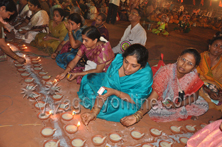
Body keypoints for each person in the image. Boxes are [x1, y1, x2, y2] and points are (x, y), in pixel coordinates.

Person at [121, 49, 209, 126]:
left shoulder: (193, 75)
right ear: (178, 58)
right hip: (162, 101)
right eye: (183, 59)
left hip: (179, 101)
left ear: (194, 67)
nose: (184, 65)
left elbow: (194, 96)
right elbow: (153, 98)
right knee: (154, 110)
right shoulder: (166, 71)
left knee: (204, 105)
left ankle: (180, 111)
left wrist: (177, 104)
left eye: (189, 63)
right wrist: (138, 115)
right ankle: (182, 113)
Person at [79, 44, 153, 124]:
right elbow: (103, 88)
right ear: (123, 58)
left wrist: (115, 92)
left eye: (134, 66)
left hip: (128, 99)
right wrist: (94, 112)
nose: (127, 68)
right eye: (126, 62)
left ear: (141, 67)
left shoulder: (145, 76)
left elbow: (136, 99)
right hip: (110, 90)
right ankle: (98, 106)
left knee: (125, 110)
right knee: (88, 79)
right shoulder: (117, 61)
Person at [197, 37, 222, 111]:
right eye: (215, 45)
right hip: (200, 85)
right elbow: (195, 76)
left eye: (221, 47)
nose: (217, 49)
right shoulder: (200, 58)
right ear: (209, 46)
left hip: (216, 89)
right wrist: (209, 91)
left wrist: (220, 94)